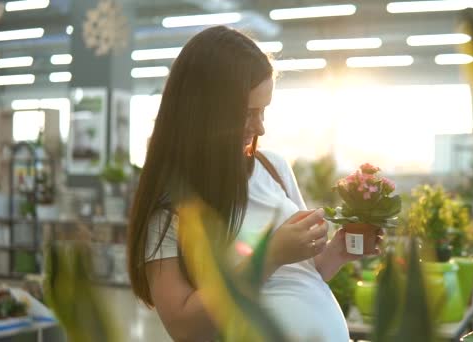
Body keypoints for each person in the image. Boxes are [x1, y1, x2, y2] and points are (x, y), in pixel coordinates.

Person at [126, 26, 381, 341]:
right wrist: (269, 255)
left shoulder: (272, 167)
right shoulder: (168, 210)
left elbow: (301, 276)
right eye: (248, 113)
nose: (260, 125)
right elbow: (184, 327)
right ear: (207, 112)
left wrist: (338, 253)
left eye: (263, 111)